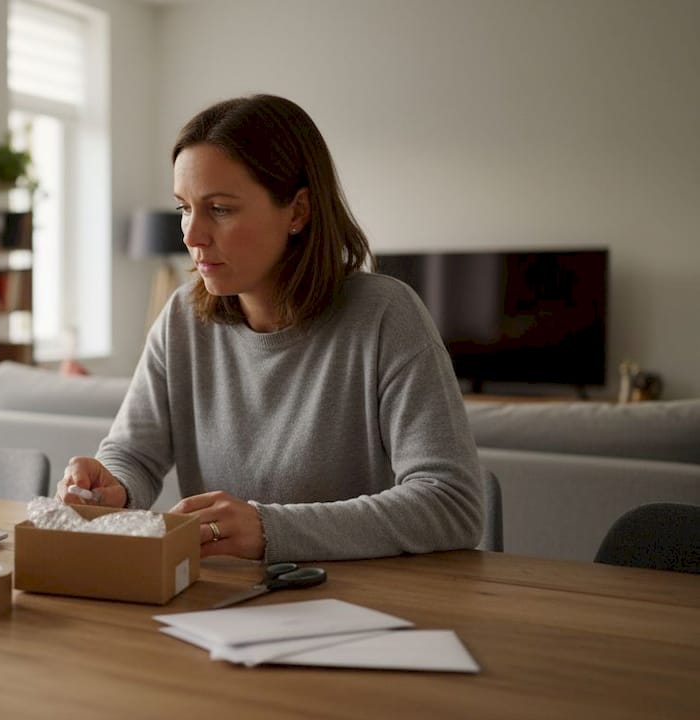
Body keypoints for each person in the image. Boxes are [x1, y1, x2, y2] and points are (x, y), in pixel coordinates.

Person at [58, 95, 483, 562]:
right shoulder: (181, 318)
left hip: (360, 608)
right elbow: (134, 456)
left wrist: (270, 528)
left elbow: (452, 503)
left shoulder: (386, 315)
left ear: (298, 211)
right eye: (184, 208)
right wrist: (111, 484)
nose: (191, 235)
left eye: (219, 209)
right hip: (227, 606)